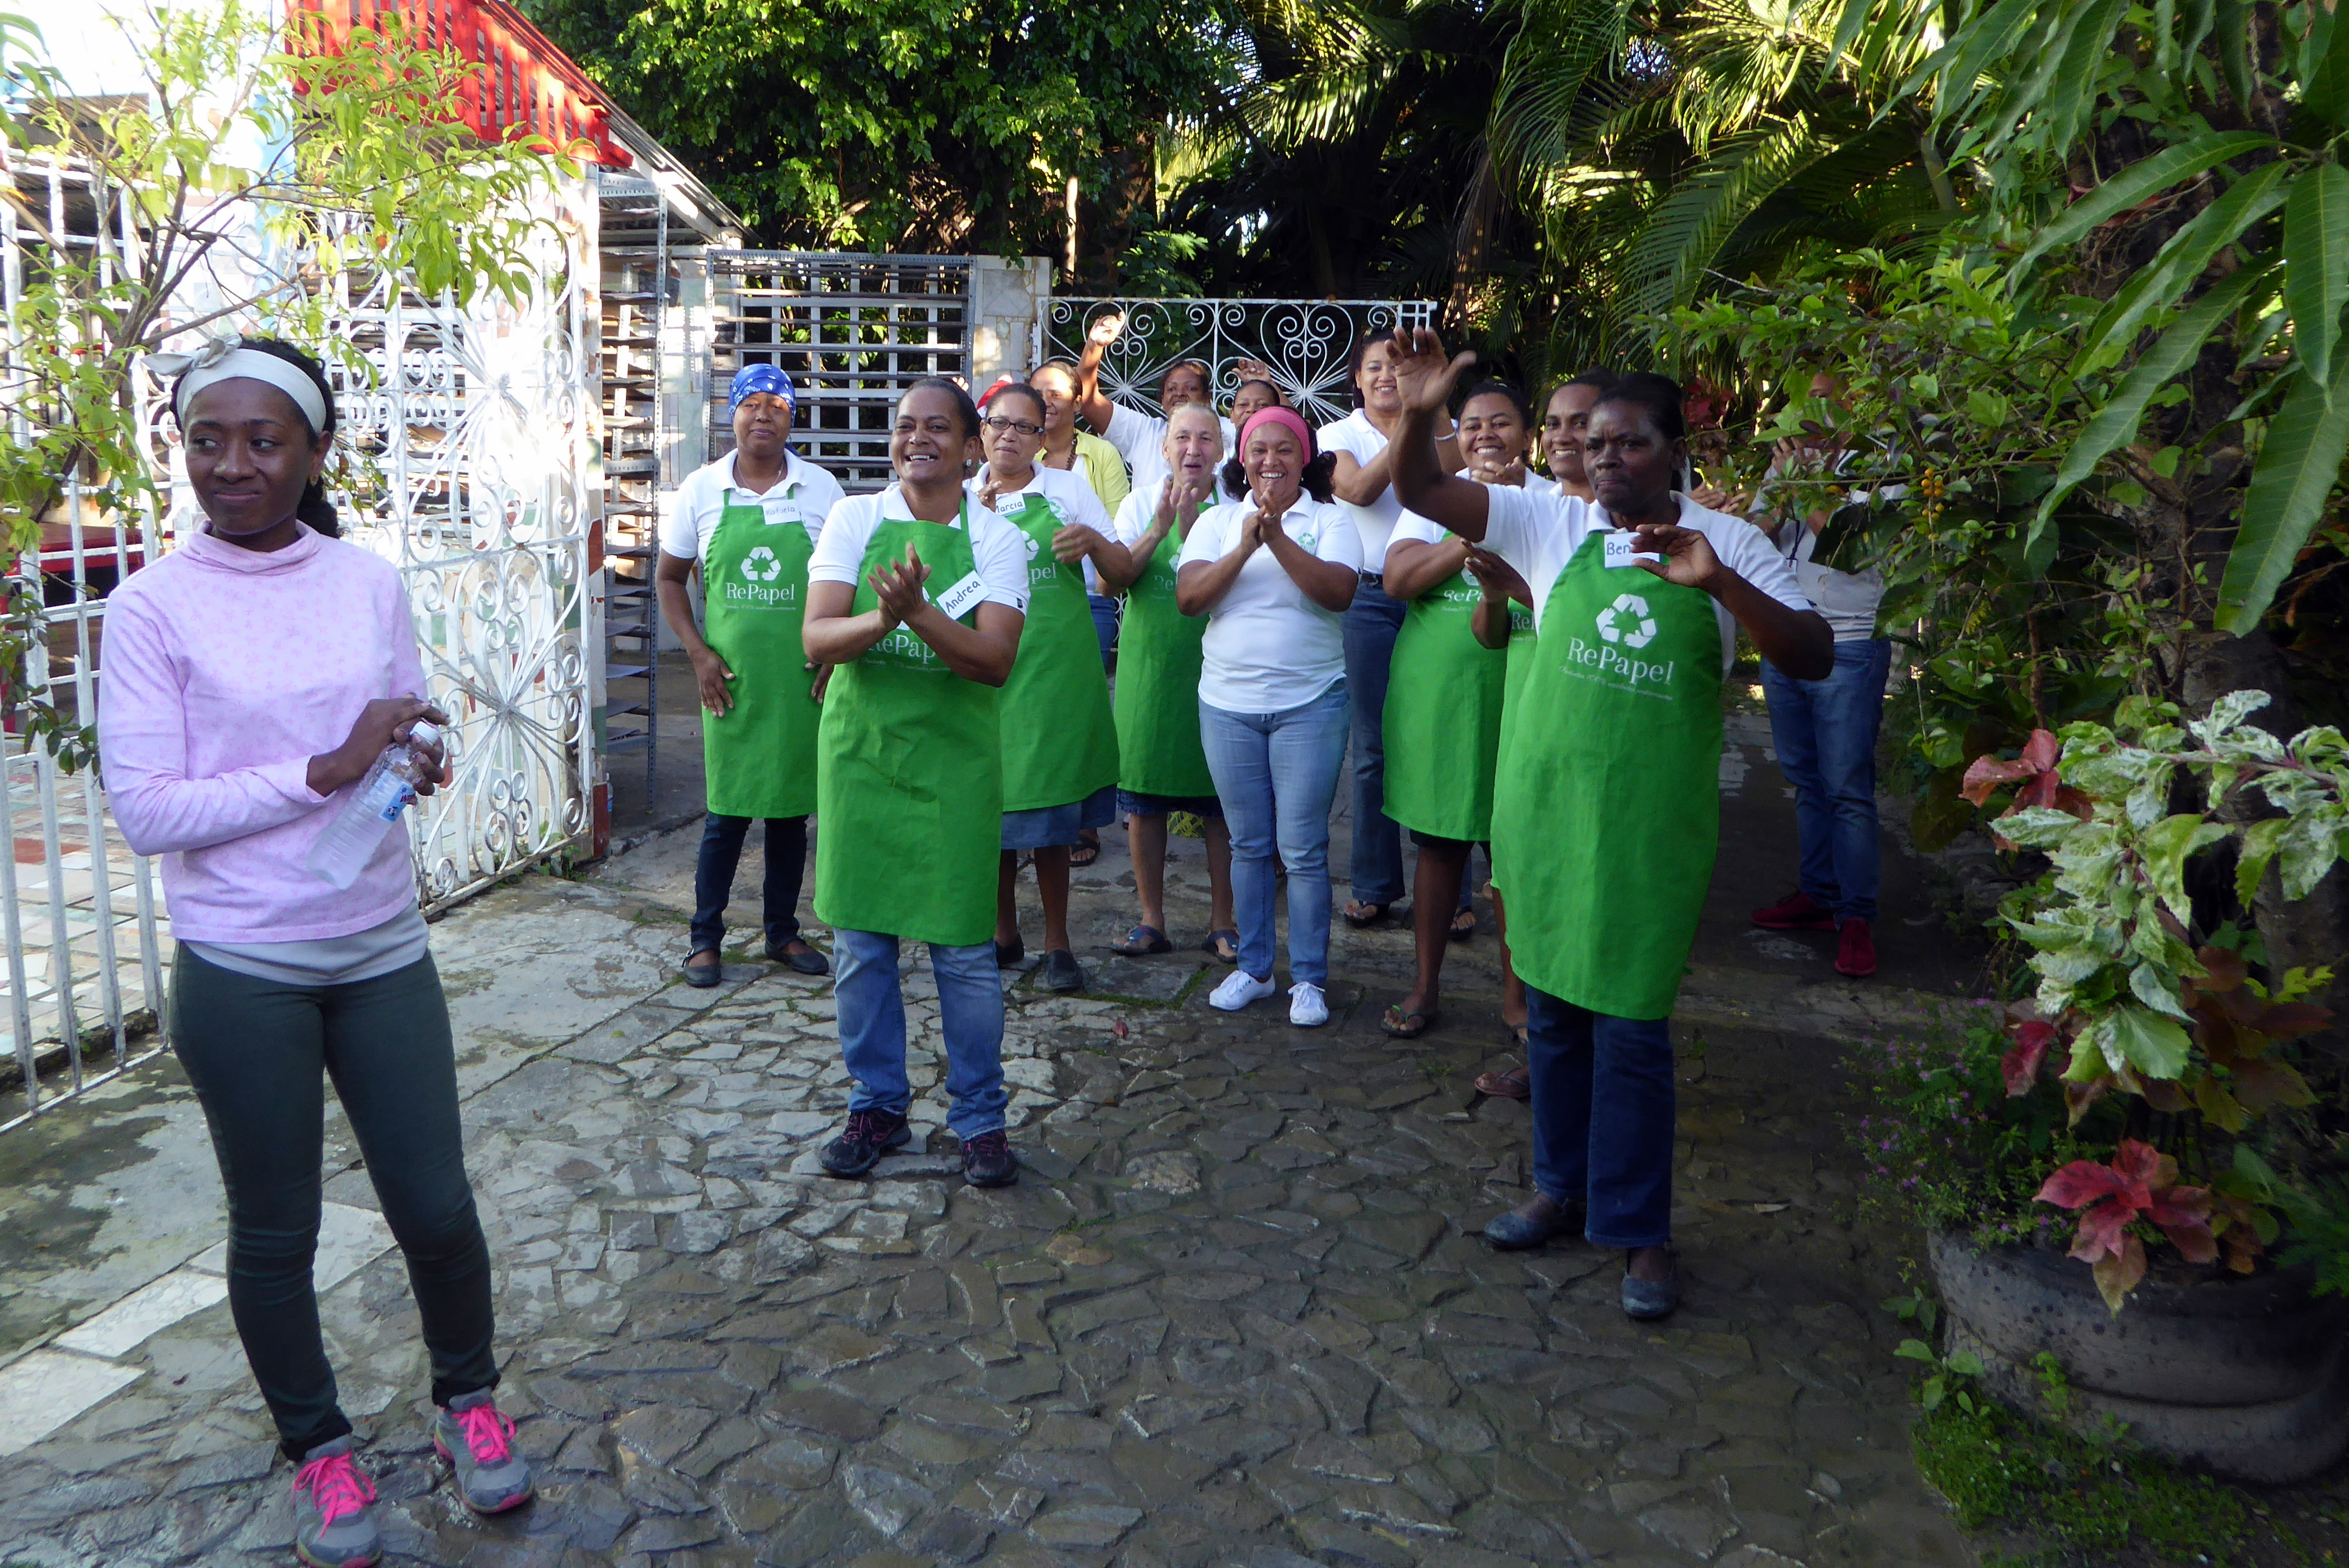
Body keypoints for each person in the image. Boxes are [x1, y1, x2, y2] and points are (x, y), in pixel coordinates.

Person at [100, 337, 533, 1568]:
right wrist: (326, 768)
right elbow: (149, 811)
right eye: (208, 441)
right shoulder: (151, 608)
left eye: (263, 441)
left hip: (379, 943)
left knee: (436, 1206)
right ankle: (320, 1449)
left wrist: (410, 758)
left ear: (315, 451)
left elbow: (398, 723)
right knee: (275, 1229)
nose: (231, 465)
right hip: (243, 966)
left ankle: (467, 1398)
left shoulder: (365, 582)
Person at [1388, 330, 1831, 1321]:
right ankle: (1558, 1187)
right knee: (1549, 1014)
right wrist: (1418, 414)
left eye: (1629, 443)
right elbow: (1419, 489)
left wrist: (1717, 582)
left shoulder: (1730, 541)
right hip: (1546, 814)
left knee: (1630, 1029)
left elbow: (1810, 655)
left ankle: (1639, 1230)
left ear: (1674, 451)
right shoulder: (1548, 523)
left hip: (1646, 830)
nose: (1605, 460)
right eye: (1593, 444)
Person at [802, 378, 1031, 1189]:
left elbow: (994, 661)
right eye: (905, 426)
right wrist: (883, 619)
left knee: (964, 953)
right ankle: (877, 1105)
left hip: (952, 773)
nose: (917, 438)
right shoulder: (854, 519)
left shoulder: (999, 539)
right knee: (861, 949)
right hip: (862, 762)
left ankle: (980, 1118)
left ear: (970, 446)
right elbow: (817, 635)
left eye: (938, 426)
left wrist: (919, 614)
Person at [656, 364, 843, 987]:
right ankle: (704, 939)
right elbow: (669, 579)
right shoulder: (702, 489)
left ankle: (782, 932)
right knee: (727, 814)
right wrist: (698, 654)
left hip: (798, 681)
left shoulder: (822, 490)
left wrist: (836, 651)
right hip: (729, 683)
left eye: (777, 406)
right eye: (750, 403)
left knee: (790, 815)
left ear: (793, 420)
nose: (763, 414)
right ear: (731, 414)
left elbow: (845, 576)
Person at [1176, 406, 1363, 1027]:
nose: (1271, 461)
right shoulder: (1217, 521)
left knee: (1303, 848)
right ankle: (1255, 969)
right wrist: (1246, 544)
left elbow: (1339, 593)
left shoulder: (1331, 521)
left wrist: (1278, 537)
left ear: (1305, 458)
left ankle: (1308, 979)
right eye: (1259, 450)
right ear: (1243, 459)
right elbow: (1190, 598)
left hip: (1310, 705)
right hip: (1227, 706)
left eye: (1285, 449)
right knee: (1249, 844)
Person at [1376, 381, 1538, 1039]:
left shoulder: (1552, 502)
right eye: (1472, 425)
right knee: (1439, 844)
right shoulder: (1434, 499)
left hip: (1523, 695)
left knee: (1514, 855)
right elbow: (1397, 580)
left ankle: (1518, 1000)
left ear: (1528, 435)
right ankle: (1425, 987)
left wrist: (1510, 511)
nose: (1486, 435)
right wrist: (1472, 530)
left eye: (1501, 422)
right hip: (1441, 697)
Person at [1721, 373, 1893, 979]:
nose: (1810, 410)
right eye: (1804, 399)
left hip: (1850, 645)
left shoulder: (1881, 470)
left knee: (1847, 787)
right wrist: (1777, 491)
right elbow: (1753, 541)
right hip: (1787, 641)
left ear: (1853, 403)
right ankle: (1818, 896)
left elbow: (1853, 553)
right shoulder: (1787, 467)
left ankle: (1856, 917)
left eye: (1825, 397)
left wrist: (1810, 487)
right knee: (1804, 780)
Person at [1476, 369, 1617, 1100]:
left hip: (1593, 721)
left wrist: (1520, 589)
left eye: (1581, 423)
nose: (1566, 437)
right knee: (1521, 869)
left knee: (1584, 875)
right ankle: (1533, 1025)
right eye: (1556, 423)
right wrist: (1496, 591)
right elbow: (1493, 632)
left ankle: (1590, 1052)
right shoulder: (1529, 512)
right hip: (1526, 713)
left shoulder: (1629, 525)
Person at [968, 381, 1126, 993]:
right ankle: (1003, 934)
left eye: (1024, 427)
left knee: (1054, 814)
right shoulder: (961, 499)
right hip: (991, 674)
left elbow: (1120, 575)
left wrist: (1094, 544)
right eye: (998, 423)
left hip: (1056, 675)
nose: (1009, 436)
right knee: (995, 811)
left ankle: (1058, 943)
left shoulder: (1067, 491)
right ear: (981, 431)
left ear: (1042, 437)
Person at [1319, 333, 1459, 927]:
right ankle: (1376, 884)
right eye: (1375, 367)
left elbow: (1460, 478)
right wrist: (1411, 421)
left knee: (1447, 737)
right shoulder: (1338, 434)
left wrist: (1433, 408)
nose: (1386, 377)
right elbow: (1357, 489)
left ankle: (1456, 894)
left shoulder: (1439, 425)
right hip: (1370, 600)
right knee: (1372, 748)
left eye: (1397, 368)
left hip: (1439, 594)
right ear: (1356, 378)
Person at [1095, 404, 1238, 959]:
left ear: (1221, 450)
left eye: (1205, 438)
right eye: (1182, 437)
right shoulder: (1138, 503)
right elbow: (1111, 582)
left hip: (1219, 668)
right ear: (1164, 447)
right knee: (1144, 796)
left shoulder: (1236, 506)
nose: (1192, 449)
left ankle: (1223, 921)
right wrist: (1159, 528)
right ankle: (1151, 919)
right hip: (1151, 669)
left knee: (1221, 802)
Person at [1029, 358, 1130, 864]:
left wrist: (1090, 546)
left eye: (1056, 392)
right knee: (1028, 713)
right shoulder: (1014, 452)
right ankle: (1027, 811)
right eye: (1038, 392)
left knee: (1075, 713)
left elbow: (1116, 529)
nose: (1047, 401)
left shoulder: (1100, 454)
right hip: (1022, 603)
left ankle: (1081, 823)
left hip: (1087, 599)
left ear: (1076, 400)